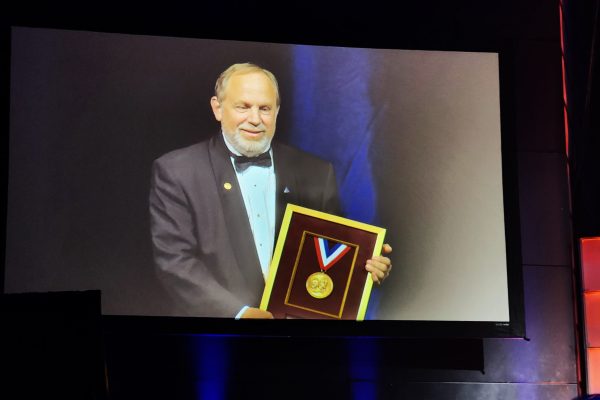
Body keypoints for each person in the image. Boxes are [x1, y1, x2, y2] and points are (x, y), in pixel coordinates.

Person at [149, 63, 392, 319]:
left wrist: (364, 268)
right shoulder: (177, 171)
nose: (255, 119)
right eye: (243, 106)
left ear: (276, 111)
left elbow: (328, 255)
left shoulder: (317, 171)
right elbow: (174, 264)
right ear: (217, 108)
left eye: (264, 108)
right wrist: (240, 313)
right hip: (218, 337)